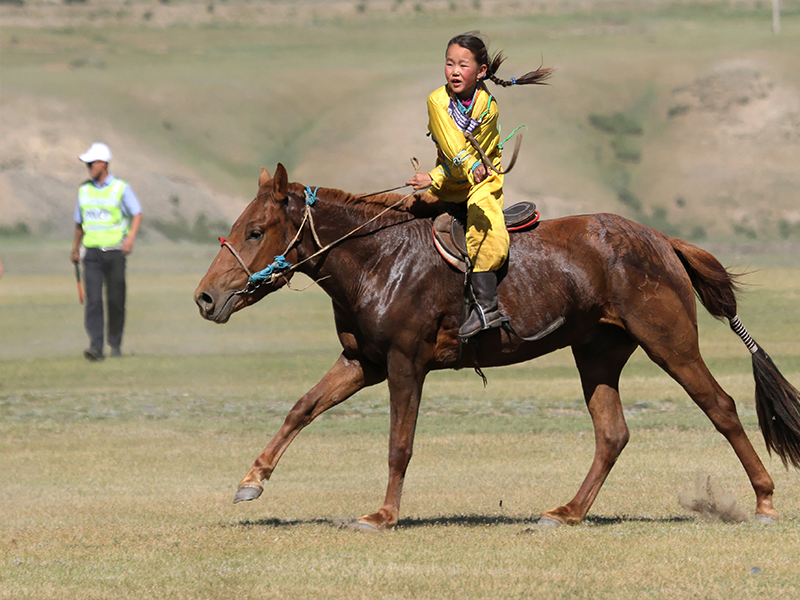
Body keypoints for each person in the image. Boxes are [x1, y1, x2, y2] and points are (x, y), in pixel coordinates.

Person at [407, 32, 552, 339]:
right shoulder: (437, 101)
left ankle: (486, 308)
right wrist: (434, 179)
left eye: (462, 65)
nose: (454, 71)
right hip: (451, 181)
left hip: (482, 182)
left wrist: (476, 168)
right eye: (449, 64)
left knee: (485, 225)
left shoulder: (488, 106)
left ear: (481, 72)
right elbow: (452, 147)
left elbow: (478, 157)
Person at [70, 142, 142, 361]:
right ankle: (96, 347)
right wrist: (75, 249)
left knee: (115, 299)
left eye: (92, 163)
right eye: (87, 163)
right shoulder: (84, 189)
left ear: (104, 163)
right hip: (91, 252)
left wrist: (129, 239)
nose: (89, 166)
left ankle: (115, 344)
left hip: (115, 252)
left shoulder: (120, 187)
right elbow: (79, 223)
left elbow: (136, 213)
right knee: (93, 301)